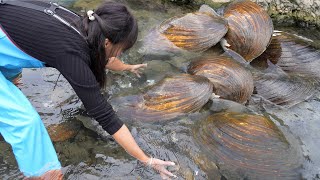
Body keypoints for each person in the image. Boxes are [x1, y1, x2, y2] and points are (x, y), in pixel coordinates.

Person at [0, 1, 176, 179]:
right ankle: (43, 173)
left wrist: (127, 67)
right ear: (107, 42)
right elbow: (105, 116)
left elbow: (103, 57)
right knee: (26, 122)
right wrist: (146, 159)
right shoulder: (71, 53)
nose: (119, 54)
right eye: (120, 50)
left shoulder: (86, 25)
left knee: (12, 79)